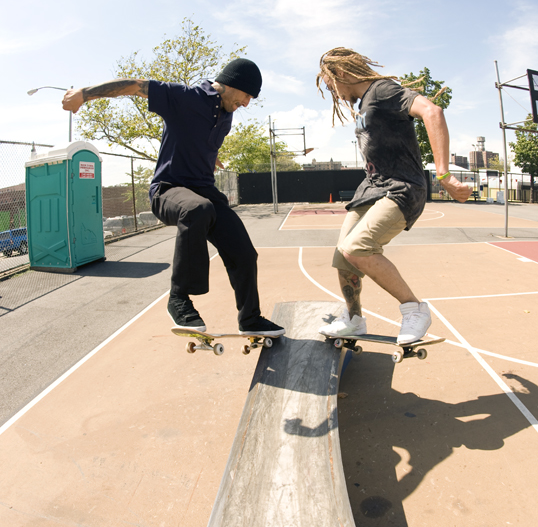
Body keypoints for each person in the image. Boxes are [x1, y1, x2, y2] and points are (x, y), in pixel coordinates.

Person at [62, 58, 285, 337]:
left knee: (243, 252)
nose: (247, 103)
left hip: (204, 190)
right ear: (231, 84)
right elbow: (133, 86)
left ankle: (250, 318)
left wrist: (207, 157)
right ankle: (178, 298)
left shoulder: (225, 115)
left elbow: (197, 140)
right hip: (168, 190)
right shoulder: (183, 97)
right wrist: (84, 94)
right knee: (197, 209)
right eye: (247, 96)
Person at [315, 48, 472, 344]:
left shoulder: (383, 91)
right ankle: (354, 319)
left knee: (357, 247)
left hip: (402, 187)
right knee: (343, 256)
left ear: (342, 74)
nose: (333, 93)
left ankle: (414, 309)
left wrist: (444, 174)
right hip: (372, 188)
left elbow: (432, 111)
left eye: (330, 85)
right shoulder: (366, 104)